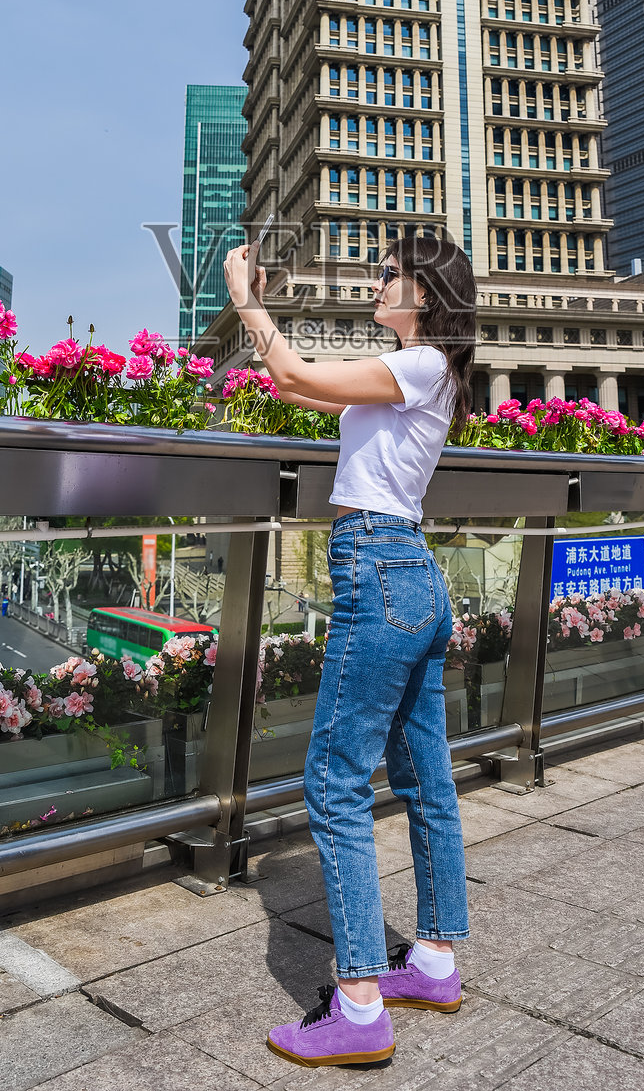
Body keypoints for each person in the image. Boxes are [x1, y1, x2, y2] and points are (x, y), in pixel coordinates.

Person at [223, 233, 476, 1070]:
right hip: (413, 574)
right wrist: (267, 321)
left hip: (380, 565)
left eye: (389, 276)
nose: (376, 284)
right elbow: (300, 390)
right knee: (425, 777)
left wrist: (244, 299)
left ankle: (361, 1001)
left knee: (334, 780)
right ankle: (433, 960)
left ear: (426, 295)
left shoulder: (423, 364)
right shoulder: (410, 372)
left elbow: (292, 375)